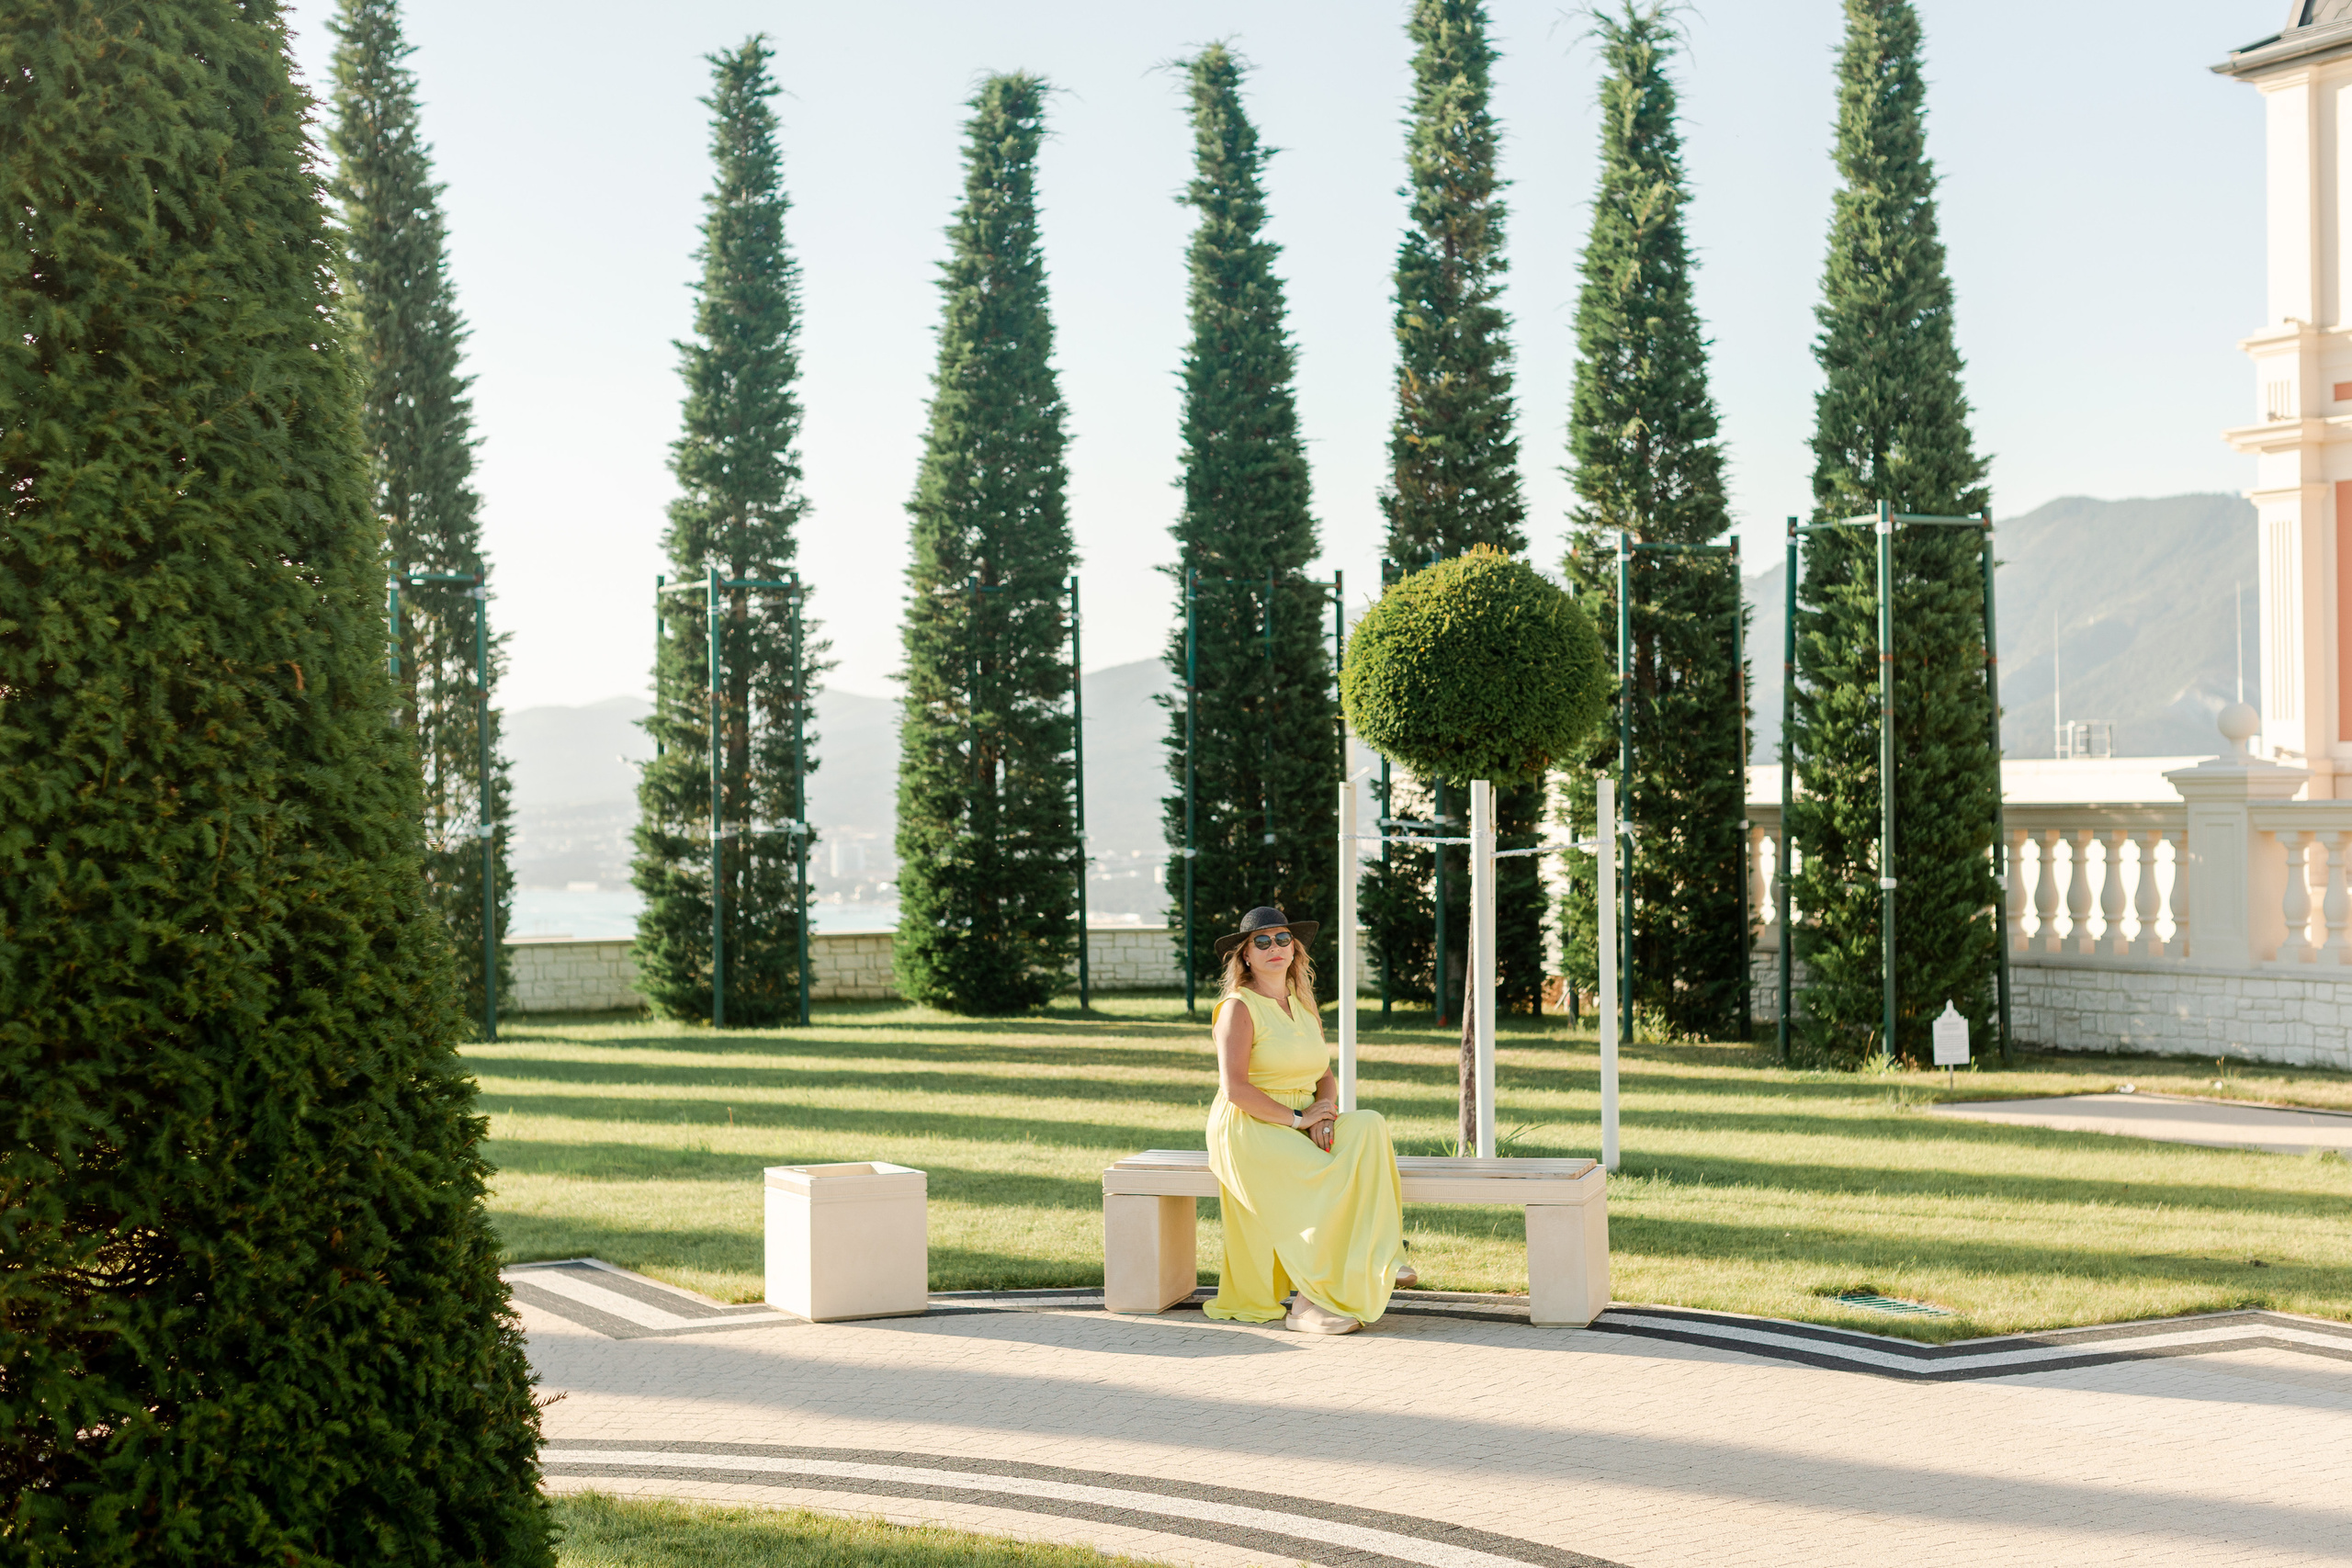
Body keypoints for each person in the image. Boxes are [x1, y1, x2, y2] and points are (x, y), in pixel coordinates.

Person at [1202, 906, 1409, 1334]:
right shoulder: (1237, 1008)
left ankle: (1382, 1254)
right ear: (1245, 956)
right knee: (1325, 1174)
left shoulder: (1302, 1004)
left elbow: (1324, 1075)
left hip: (1303, 1116)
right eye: (1261, 942)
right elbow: (1236, 1090)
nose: (1274, 948)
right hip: (1251, 1124)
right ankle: (1308, 1303)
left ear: (1294, 949)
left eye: (1282, 940)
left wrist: (1325, 1116)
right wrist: (1299, 1120)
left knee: (1368, 1126)